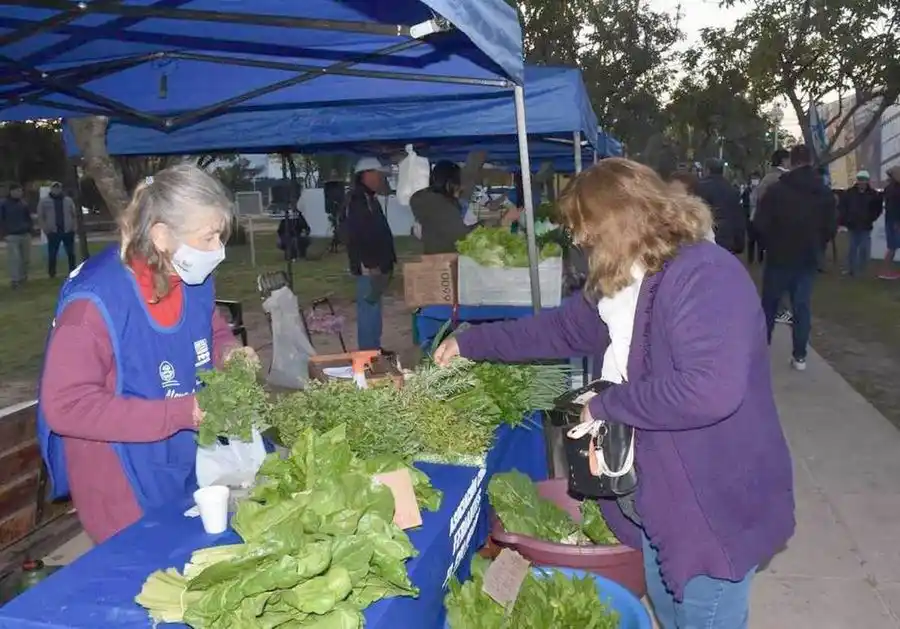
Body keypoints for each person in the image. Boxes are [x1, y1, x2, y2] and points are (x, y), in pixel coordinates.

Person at [434, 158, 794, 629]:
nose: (580, 241)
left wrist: (605, 404)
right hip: (658, 492)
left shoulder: (705, 275)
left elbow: (711, 389)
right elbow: (561, 330)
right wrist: (472, 342)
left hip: (710, 501)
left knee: (703, 612)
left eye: (584, 229)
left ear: (616, 221)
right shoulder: (623, 277)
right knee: (669, 608)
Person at [37, 165, 258, 544]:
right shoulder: (94, 304)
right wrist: (182, 412)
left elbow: (212, 329)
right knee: (150, 571)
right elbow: (65, 406)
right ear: (160, 235)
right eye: (208, 238)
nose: (217, 252)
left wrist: (229, 355)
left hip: (180, 453)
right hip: (119, 474)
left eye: (220, 237)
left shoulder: (189, 276)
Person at [755, 145, 836, 371]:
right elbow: (830, 227)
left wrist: (767, 245)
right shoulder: (823, 192)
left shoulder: (777, 190)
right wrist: (818, 244)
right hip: (808, 256)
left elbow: (760, 224)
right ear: (810, 161)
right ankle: (799, 355)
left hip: (779, 255)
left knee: (769, 305)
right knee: (802, 306)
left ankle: (762, 351)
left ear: (791, 161)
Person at [410, 160, 519, 254]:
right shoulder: (441, 206)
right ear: (450, 183)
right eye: (459, 185)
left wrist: (490, 222)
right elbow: (463, 238)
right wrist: (498, 222)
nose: (461, 189)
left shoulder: (430, 202)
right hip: (447, 258)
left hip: (437, 256)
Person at [345, 157, 396, 350]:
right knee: (368, 310)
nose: (380, 179)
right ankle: (368, 353)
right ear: (365, 175)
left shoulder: (369, 199)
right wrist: (371, 264)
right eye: (377, 174)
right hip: (369, 267)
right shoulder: (358, 201)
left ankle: (374, 348)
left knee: (374, 309)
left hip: (377, 265)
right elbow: (358, 236)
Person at [756, 149, 793, 324]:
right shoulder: (780, 180)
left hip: (771, 232)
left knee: (773, 271)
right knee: (781, 273)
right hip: (780, 231)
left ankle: (773, 307)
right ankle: (780, 309)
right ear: (784, 160)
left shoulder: (768, 179)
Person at [695, 158, 745, 253]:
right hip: (727, 239)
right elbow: (738, 217)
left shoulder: (700, 188)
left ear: (707, 170)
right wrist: (739, 242)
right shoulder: (732, 190)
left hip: (706, 238)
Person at [839, 170, 883, 276]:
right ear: (857, 180)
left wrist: (871, 218)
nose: (862, 182)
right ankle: (851, 269)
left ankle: (861, 268)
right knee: (852, 248)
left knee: (864, 248)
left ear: (867, 181)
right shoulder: (849, 193)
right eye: (860, 180)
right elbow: (842, 207)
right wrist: (846, 219)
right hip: (852, 224)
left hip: (866, 225)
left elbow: (877, 209)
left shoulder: (873, 194)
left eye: (864, 180)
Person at [37, 181, 78, 279]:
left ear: (61, 189)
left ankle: (72, 271)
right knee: (52, 253)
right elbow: (40, 216)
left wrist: (74, 226)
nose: (56, 190)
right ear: (51, 189)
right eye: (54, 188)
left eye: (58, 188)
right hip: (53, 231)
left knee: (71, 252)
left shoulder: (68, 200)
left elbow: (74, 214)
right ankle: (52, 273)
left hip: (67, 230)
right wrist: (45, 228)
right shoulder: (44, 201)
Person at [0, 183, 33, 288]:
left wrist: (29, 228)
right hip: (12, 235)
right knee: (15, 259)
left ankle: (23, 277)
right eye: (16, 191)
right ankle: (15, 280)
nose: (19, 193)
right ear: (11, 192)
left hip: (25, 234)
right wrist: (4, 232)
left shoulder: (23, 204)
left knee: (25, 259)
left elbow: (28, 217)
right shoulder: (3, 204)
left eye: (20, 191)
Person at [878, 165, 900, 279]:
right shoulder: (895, 189)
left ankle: (886, 270)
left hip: (891, 220)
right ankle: (885, 271)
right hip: (895, 221)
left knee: (892, 247)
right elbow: (894, 207)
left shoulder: (889, 188)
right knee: (892, 247)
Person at [745, 171, 764, 264]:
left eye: (756, 178)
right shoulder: (747, 190)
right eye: (753, 178)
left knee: (760, 240)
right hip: (750, 217)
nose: (754, 180)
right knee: (750, 240)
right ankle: (750, 259)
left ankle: (760, 259)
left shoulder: (762, 190)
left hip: (760, 217)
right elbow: (744, 204)